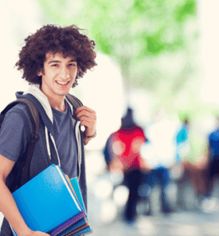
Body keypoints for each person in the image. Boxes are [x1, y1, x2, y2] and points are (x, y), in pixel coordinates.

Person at [0, 25, 97, 235]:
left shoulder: (74, 108)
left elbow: (62, 154)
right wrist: (25, 232)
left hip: (71, 228)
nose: (65, 74)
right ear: (39, 69)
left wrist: (89, 133)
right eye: (55, 64)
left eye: (71, 65)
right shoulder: (22, 116)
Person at [110, 107, 149, 223]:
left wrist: (124, 162)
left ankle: (130, 214)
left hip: (125, 168)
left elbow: (117, 149)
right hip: (133, 167)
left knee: (132, 191)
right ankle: (130, 215)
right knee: (134, 191)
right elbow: (137, 148)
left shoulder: (118, 133)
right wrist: (127, 162)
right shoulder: (138, 131)